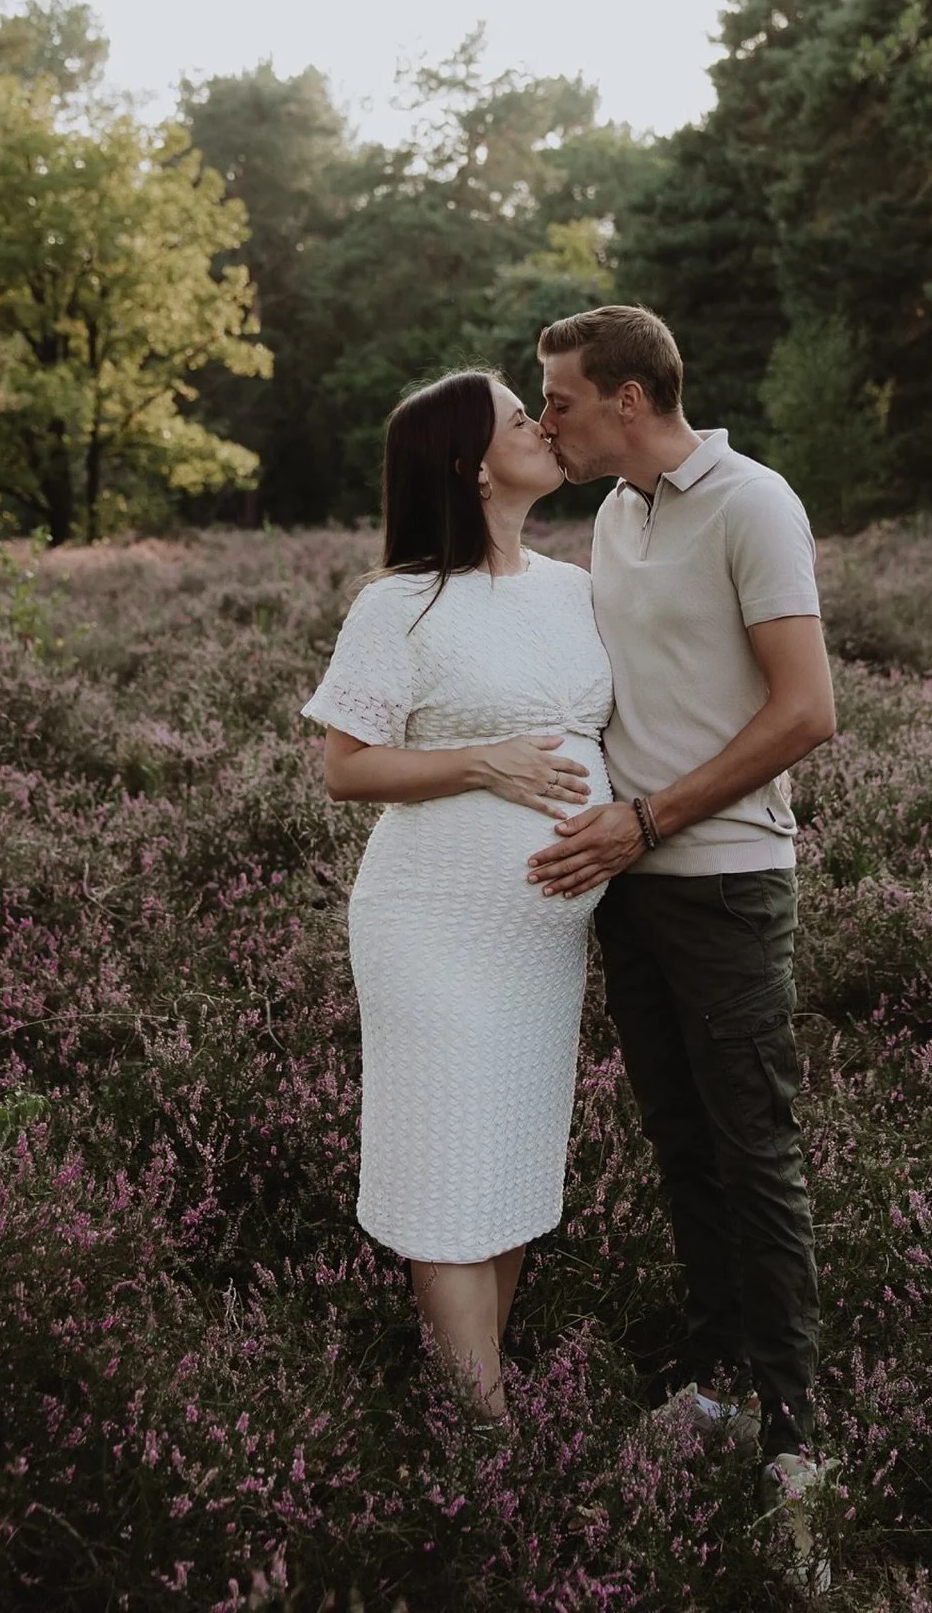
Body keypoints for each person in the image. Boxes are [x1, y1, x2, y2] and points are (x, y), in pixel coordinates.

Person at [527, 307, 836, 1538]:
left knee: (756, 1150)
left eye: (558, 399)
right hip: (631, 883)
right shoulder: (614, 513)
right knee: (680, 1144)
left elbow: (808, 710)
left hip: (720, 876)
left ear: (629, 401)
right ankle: (717, 1389)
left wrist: (650, 821)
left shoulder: (753, 501)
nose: (545, 419)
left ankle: (801, 1442)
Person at [301, 370, 613, 1420]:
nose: (544, 423)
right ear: (472, 465)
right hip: (430, 928)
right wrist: (483, 764)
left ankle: (480, 1398)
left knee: (511, 1171)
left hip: (540, 945)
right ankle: (491, 1443)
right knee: (442, 1168)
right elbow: (347, 768)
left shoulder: (575, 587)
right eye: (522, 417)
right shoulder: (400, 603)